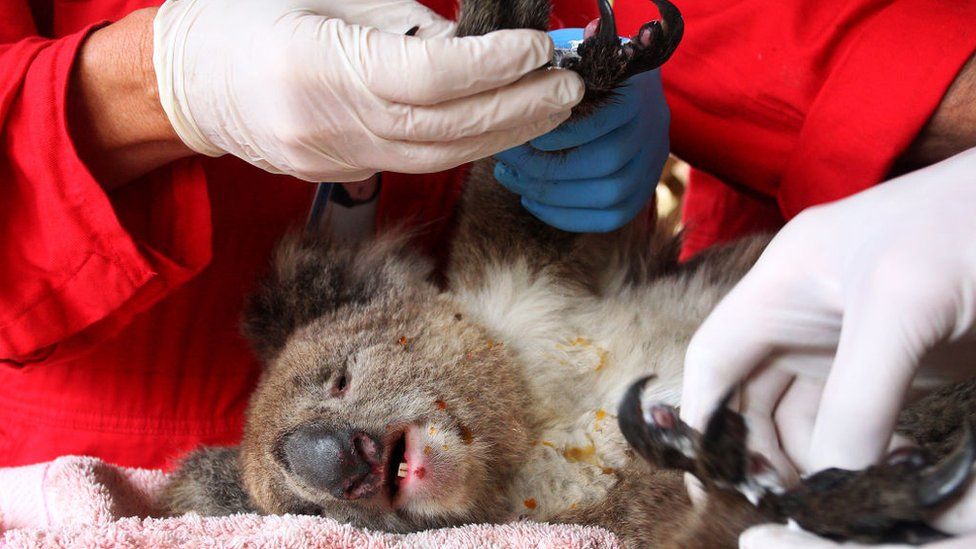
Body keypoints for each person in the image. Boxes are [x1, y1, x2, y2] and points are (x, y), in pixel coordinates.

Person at [1, 0, 975, 543]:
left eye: (340, 386)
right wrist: (149, 88)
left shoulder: (495, 301)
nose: (334, 460)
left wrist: (566, 69)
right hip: (97, 403)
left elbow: (734, 27)